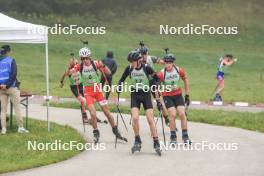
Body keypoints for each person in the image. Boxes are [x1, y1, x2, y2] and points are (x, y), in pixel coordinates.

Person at [71, 47, 127, 143]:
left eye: (87, 58)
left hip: (98, 91)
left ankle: (116, 131)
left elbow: (109, 73)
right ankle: (96, 132)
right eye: (83, 58)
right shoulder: (79, 66)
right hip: (88, 93)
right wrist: (73, 71)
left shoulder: (96, 63)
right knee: (93, 113)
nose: (85, 60)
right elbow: (71, 72)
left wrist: (103, 66)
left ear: (90, 57)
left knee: (107, 112)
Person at [118, 50, 161, 155]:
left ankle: (156, 141)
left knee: (150, 118)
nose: (131, 63)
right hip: (135, 95)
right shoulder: (129, 68)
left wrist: (157, 96)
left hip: (146, 94)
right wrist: (119, 87)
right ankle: (137, 140)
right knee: (135, 118)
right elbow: (121, 80)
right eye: (130, 61)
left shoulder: (146, 68)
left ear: (138, 61)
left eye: (133, 61)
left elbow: (157, 79)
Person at [156, 53, 191, 144]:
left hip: (178, 95)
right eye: (166, 63)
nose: (167, 65)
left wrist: (187, 95)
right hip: (167, 96)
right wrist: (158, 100)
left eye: (169, 63)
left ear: (173, 63)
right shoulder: (161, 73)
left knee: (182, 114)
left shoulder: (179, 70)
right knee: (173, 115)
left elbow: (186, 79)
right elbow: (156, 87)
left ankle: (185, 136)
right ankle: (173, 136)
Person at [138, 43, 170, 126]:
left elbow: (163, 62)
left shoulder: (151, 58)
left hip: (152, 81)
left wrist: (166, 59)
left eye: (145, 54)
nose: (144, 56)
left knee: (159, 100)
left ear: (147, 53)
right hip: (143, 83)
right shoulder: (138, 60)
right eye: (142, 54)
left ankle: (166, 118)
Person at [0, 45, 28, 134]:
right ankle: (20, 128)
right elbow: (14, 74)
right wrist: (7, 85)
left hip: (0, 88)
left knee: (3, 110)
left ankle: (3, 129)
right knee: (17, 108)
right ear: (8, 52)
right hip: (11, 87)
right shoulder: (11, 60)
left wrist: (2, 85)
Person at [60, 54, 90, 124]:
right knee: (83, 101)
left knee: (83, 102)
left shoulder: (79, 67)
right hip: (74, 88)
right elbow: (64, 75)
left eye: (77, 63)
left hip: (81, 85)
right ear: (71, 65)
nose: (76, 64)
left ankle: (85, 117)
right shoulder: (69, 71)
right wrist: (61, 82)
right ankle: (85, 117)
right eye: (75, 63)